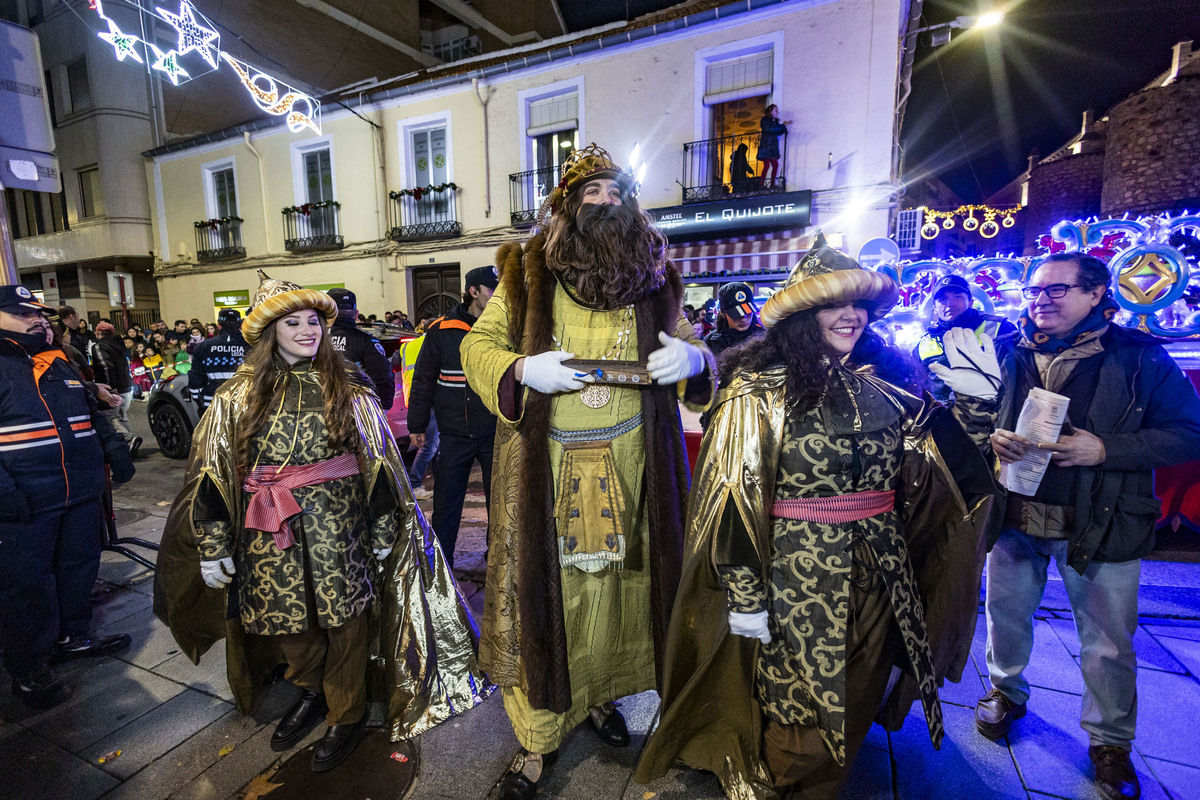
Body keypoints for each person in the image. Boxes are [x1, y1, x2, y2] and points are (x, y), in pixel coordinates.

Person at [636, 234, 1004, 800]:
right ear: (803, 316)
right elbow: (734, 494)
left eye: (860, 305)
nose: (851, 316)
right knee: (800, 718)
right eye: (834, 304)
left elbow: (949, 474)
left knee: (857, 695)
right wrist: (744, 595)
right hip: (796, 575)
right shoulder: (756, 392)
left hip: (883, 572)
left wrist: (979, 406)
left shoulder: (891, 384)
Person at [154, 271, 491, 773]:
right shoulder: (234, 399)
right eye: (294, 322)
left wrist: (381, 531)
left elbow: (379, 467)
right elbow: (211, 475)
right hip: (268, 532)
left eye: (313, 320)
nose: (308, 330)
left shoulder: (347, 388)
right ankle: (311, 688)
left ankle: (346, 710)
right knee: (288, 623)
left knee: (346, 622)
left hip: (340, 529)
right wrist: (213, 544)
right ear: (270, 332)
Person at [461, 142, 716, 799]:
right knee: (555, 604)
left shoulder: (656, 274)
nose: (605, 202)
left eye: (616, 193)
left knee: (624, 596)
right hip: (548, 473)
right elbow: (477, 345)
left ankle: (602, 702)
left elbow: (692, 341)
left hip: (637, 472)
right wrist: (520, 370)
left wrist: (693, 362)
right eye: (592, 193)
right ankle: (539, 739)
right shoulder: (525, 269)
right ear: (568, 204)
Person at [977, 253, 1200, 800]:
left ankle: (1109, 743)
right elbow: (974, 416)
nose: (1040, 300)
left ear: (1097, 293)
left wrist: (1106, 448)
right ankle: (1007, 692)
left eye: (1056, 290)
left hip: (1102, 520)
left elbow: (1189, 432)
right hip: (1016, 514)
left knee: (1107, 642)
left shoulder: (1139, 357)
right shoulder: (1005, 350)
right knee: (1005, 616)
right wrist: (992, 439)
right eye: (1034, 290)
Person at [0, 285, 135, 709]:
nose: (39, 320)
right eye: (26, 315)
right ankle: (29, 665)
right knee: (26, 584)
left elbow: (89, 414)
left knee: (78, 566)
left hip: (79, 489)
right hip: (25, 497)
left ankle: (73, 635)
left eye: (40, 315)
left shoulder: (56, 361)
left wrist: (113, 450)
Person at [407, 266, 499, 569]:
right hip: (454, 432)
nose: (498, 295)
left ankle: (497, 561)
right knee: (446, 504)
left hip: (494, 431)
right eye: (492, 289)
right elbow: (423, 379)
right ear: (474, 292)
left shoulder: (503, 327)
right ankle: (440, 564)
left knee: (499, 504)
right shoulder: (442, 330)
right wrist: (417, 425)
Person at [914, 274, 1017, 403]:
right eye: (943, 299)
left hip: (991, 413)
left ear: (971, 302)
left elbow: (1015, 377)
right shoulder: (923, 344)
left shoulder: (1001, 328)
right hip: (943, 418)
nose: (950, 303)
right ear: (935, 307)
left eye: (957, 296)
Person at [326, 288, 396, 410]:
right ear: (356, 314)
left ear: (327, 312)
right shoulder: (367, 341)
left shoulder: (314, 338)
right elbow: (384, 377)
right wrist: (382, 407)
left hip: (321, 407)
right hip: (358, 409)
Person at [90, 320, 142, 458]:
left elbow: (105, 366)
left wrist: (110, 387)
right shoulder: (119, 345)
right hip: (126, 386)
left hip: (113, 388)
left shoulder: (99, 346)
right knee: (123, 415)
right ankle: (130, 446)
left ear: (98, 332)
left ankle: (128, 440)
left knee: (111, 418)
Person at [187, 309, 248, 413]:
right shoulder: (252, 345)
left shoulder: (203, 347)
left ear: (219, 325)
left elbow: (196, 377)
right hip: (246, 400)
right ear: (240, 325)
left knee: (215, 429)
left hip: (212, 400)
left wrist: (198, 399)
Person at [703, 281, 765, 360]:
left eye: (748, 312)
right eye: (737, 314)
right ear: (722, 313)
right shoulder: (710, 342)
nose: (744, 318)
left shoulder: (764, 337)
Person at [757, 104, 790, 189]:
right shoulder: (765, 120)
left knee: (775, 165)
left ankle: (772, 184)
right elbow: (770, 129)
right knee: (767, 165)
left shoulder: (774, 122)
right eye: (775, 110)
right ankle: (761, 185)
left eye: (777, 111)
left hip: (772, 147)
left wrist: (783, 126)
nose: (777, 112)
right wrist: (782, 126)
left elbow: (778, 131)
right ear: (770, 111)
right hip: (766, 146)